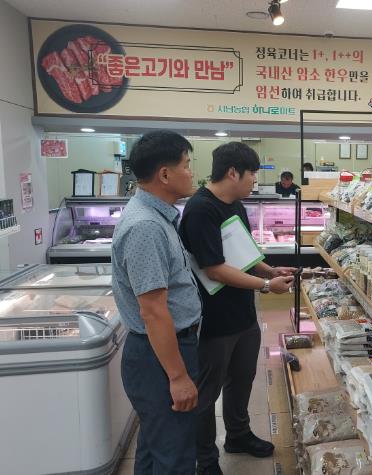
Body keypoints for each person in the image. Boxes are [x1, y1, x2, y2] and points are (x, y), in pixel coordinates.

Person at [179, 142, 296, 475]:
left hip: (243, 313)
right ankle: (206, 460)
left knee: (242, 378)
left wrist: (269, 270)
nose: (255, 180)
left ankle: (238, 435)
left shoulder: (237, 206)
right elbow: (215, 269)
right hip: (213, 318)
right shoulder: (201, 210)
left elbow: (244, 253)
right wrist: (266, 286)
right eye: (252, 174)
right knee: (208, 392)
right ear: (233, 172)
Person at [111, 130, 201, 475]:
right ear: (165, 174)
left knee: (156, 446)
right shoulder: (146, 227)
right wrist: (178, 377)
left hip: (161, 351)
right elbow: (153, 311)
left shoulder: (156, 217)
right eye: (187, 165)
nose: (191, 173)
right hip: (159, 356)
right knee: (174, 456)